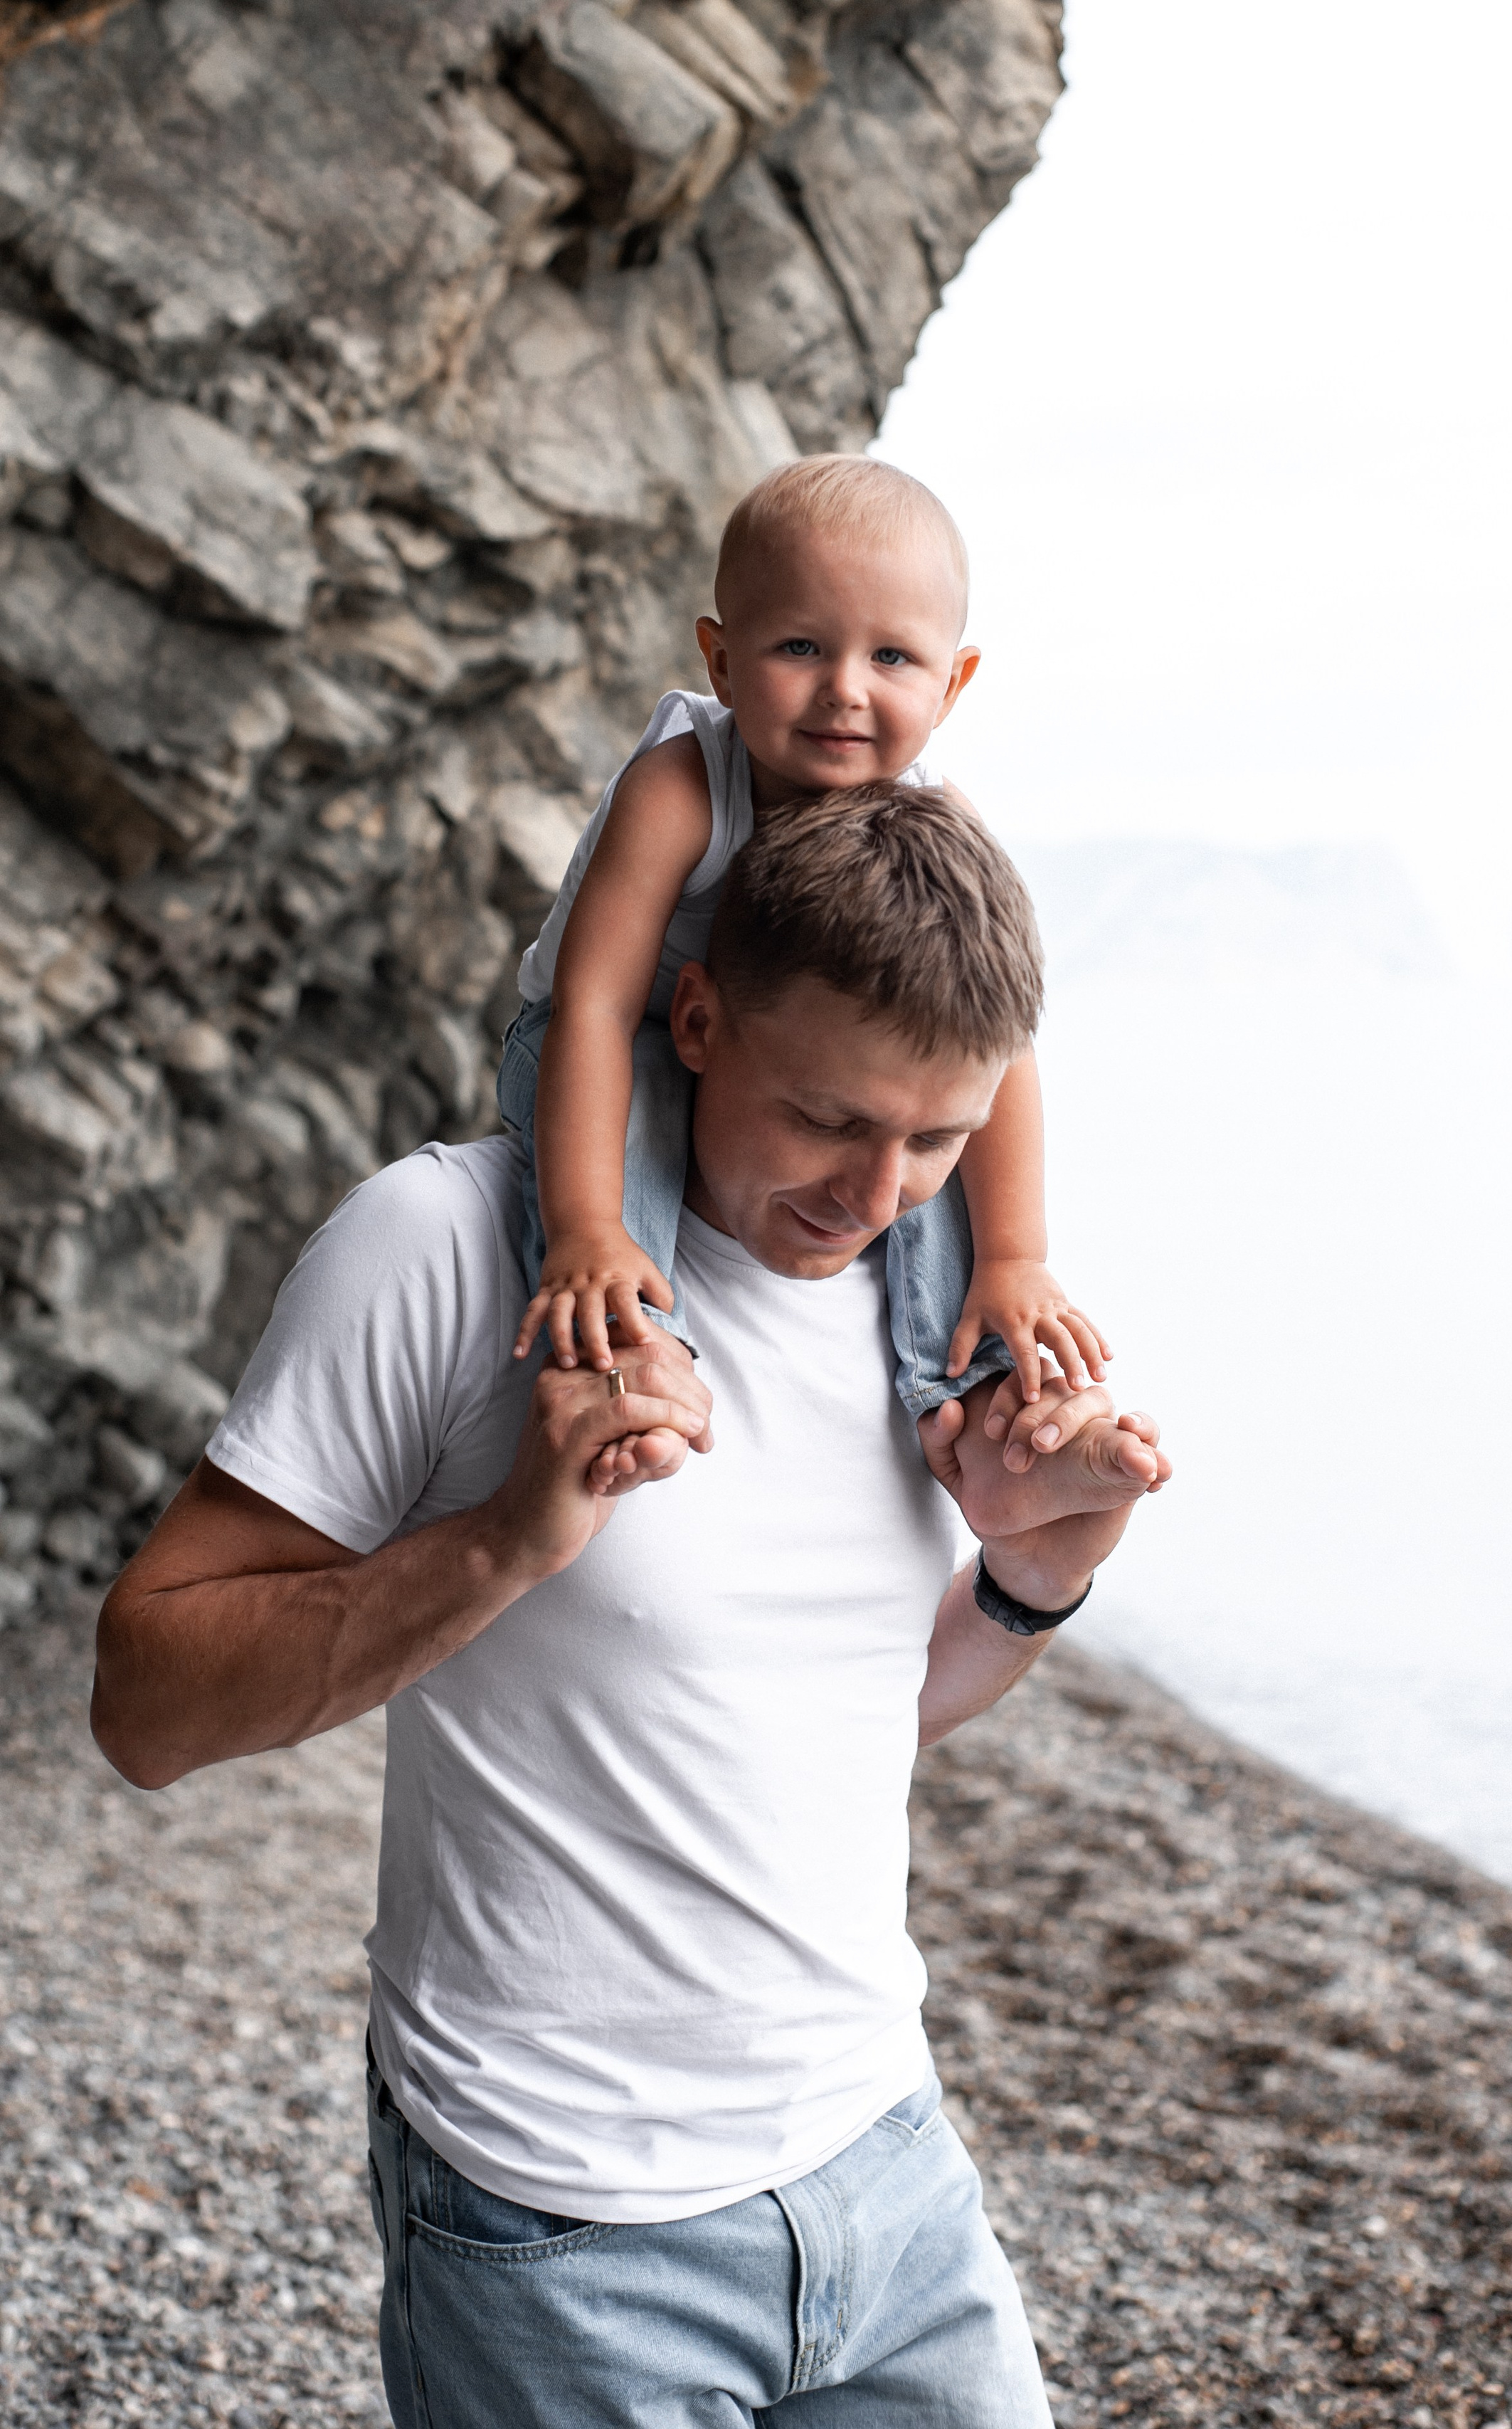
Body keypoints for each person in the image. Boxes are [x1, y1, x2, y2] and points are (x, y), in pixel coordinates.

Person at [92, 787, 1171, 2428]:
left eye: (937, 1141)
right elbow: (143, 1706)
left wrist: (1036, 1574)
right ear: (692, 1016)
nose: (877, 1195)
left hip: (885, 2170)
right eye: (826, 1120)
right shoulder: (452, 1244)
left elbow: (841, 1715)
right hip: (557, 2223)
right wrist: (503, 1544)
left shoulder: (933, 1298)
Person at [498, 452, 1109, 1421]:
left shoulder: (936, 818)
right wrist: (584, 1226)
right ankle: (625, 1363)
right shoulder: (681, 789)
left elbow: (995, 1051)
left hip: (804, 1065)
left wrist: (1015, 1256)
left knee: (907, 1138)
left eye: (892, 658)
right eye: (799, 648)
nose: (845, 691)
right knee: (647, 1119)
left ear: (954, 685)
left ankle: (968, 1397)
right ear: (722, 661)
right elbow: (595, 1005)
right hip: (623, 1039)